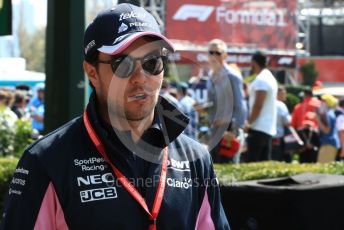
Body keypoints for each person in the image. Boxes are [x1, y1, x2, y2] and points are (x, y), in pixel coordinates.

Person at [1, 4, 230, 230]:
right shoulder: (45, 161)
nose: (140, 78)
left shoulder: (196, 159)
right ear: (92, 73)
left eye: (152, 63)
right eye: (123, 64)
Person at [206, 39, 247, 163]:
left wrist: (234, 130)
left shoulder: (232, 76)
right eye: (210, 52)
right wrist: (203, 107)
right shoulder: (211, 75)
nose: (213, 56)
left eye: (217, 53)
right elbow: (214, 102)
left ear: (225, 55)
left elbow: (240, 105)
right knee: (213, 172)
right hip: (214, 129)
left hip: (228, 130)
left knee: (229, 174)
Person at [245, 51, 278, 162]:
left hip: (258, 127)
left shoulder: (261, 80)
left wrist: (249, 123)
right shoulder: (270, 78)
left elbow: (258, 105)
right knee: (263, 164)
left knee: (252, 164)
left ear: (253, 63)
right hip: (267, 128)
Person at [316, 94, 340, 163]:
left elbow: (326, 130)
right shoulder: (330, 113)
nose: (321, 103)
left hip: (328, 143)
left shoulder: (328, 114)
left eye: (323, 101)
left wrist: (318, 119)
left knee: (322, 168)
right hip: (329, 143)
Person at [271, 86, 291, 161]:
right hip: (279, 136)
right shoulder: (281, 105)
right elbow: (287, 122)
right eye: (283, 94)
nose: (285, 96)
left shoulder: (268, 103)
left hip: (268, 135)